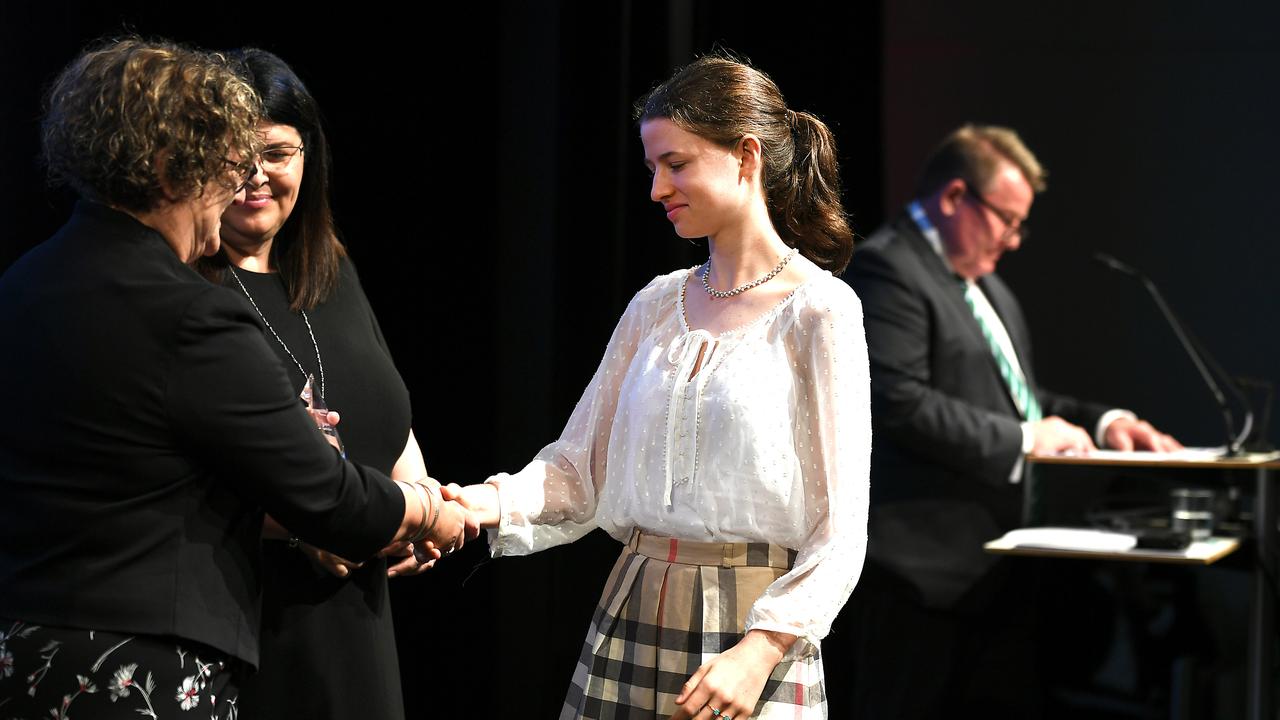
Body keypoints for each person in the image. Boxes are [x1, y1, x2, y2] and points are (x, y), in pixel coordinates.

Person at [0, 38, 470, 719]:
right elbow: (326, 496)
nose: (237, 186)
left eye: (272, 155)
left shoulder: (25, 283)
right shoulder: (185, 309)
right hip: (137, 664)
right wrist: (430, 510)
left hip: (33, 647)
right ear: (172, 166)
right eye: (225, 166)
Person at [443, 55, 870, 720]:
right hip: (637, 600)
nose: (657, 188)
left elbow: (841, 528)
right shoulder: (656, 304)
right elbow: (578, 470)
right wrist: (477, 503)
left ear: (745, 155)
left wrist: (760, 650)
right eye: (652, 168)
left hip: (754, 629)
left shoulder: (819, 309)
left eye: (676, 163)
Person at [843, 124, 1180, 718]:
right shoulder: (888, 269)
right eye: (1008, 219)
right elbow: (898, 401)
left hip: (999, 569)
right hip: (920, 575)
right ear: (953, 198)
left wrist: (1107, 424)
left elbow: (1019, 398)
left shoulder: (984, 285)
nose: (1017, 239)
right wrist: (1028, 439)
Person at [195, 48, 424, 720]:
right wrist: (307, 525)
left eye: (277, 152)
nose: (256, 175)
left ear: (308, 159)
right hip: (250, 612)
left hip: (357, 611)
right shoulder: (184, 289)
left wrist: (414, 502)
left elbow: (386, 408)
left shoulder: (333, 272)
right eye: (234, 154)